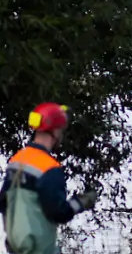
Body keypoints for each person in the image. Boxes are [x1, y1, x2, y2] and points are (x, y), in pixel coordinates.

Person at [0, 103, 98, 254]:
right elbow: (58, 212)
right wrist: (81, 202)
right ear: (56, 131)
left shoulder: (16, 161)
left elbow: (3, 202)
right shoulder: (49, 168)